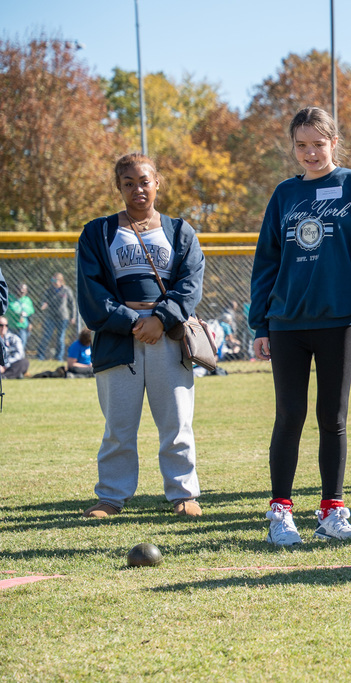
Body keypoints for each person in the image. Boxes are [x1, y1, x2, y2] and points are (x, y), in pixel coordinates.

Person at [250, 106, 351, 545]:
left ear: (333, 142)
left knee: (334, 416)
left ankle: (332, 512)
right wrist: (260, 325)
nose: (310, 153)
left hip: (339, 321)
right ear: (293, 147)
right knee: (289, 415)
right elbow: (267, 262)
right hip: (286, 322)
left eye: (318, 144)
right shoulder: (284, 194)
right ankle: (280, 514)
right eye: (301, 145)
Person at [77, 151, 206, 519]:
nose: (138, 190)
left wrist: (160, 319)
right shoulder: (97, 232)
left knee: (176, 421)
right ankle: (111, 497)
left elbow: (190, 283)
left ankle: (183, 493)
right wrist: (133, 321)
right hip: (119, 340)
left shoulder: (181, 231)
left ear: (157, 183)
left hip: (168, 336)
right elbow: (91, 289)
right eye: (128, 183)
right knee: (118, 425)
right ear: (118, 187)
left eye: (144, 182)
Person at [36, 272, 75, 361]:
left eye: (55, 280)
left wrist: (73, 317)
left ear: (61, 281)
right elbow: (44, 300)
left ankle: (59, 358)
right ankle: (40, 356)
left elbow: (72, 304)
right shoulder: (49, 290)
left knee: (60, 338)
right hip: (51, 317)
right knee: (46, 336)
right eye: (52, 280)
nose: (53, 282)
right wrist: (44, 304)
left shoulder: (66, 290)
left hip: (63, 317)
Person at [9, 283, 34, 348]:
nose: (21, 292)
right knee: (9, 344)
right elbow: (11, 309)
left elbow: (31, 312)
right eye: (20, 290)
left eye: (24, 290)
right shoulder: (10, 298)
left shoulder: (27, 300)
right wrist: (20, 314)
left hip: (23, 326)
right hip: (11, 326)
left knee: (21, 345)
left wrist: (30, 323)